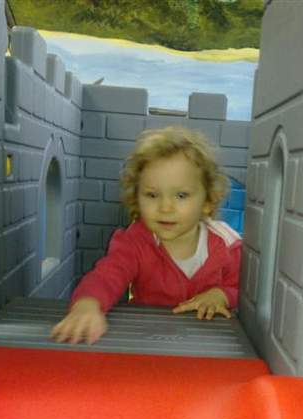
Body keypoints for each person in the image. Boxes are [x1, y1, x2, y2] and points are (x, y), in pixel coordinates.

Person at [51, 126, 242, 344]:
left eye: (181, 195)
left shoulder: (227, 245)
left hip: (206, 345)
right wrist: (87, 305)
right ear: (137, 198)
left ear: (207, 202)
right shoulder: (135, 241)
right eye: (152, 195)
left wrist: (222, 295)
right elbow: (107, 275)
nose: (165, 207)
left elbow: (245, 292)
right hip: (147, 339)